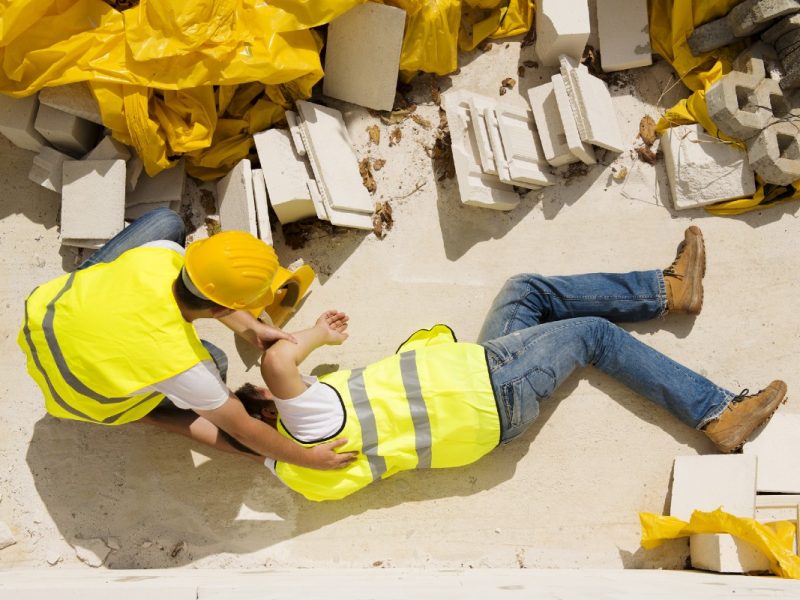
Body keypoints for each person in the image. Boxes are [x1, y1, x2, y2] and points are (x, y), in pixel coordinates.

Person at [233, 226, 787, 501]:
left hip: (483, 398)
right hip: (489, 386)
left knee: (525, 291)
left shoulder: (296, 474)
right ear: (267, 408)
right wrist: (315, 336)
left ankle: (669, 291)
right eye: (261, 394)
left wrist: (224, 423)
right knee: (593, 335)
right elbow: (279, 361)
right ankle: (717, 413)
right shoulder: (309, 423)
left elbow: (226, 431)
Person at [19, 207, 355, 470]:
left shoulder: (161, 254)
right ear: (224, 309)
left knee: (165, 222)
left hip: (45, 317)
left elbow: (206, 292)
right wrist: (308, 459)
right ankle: (142, 412)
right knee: (218, 364)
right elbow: (243, 431)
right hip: (79, 396)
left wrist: (251, 327)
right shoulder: (186, 366)